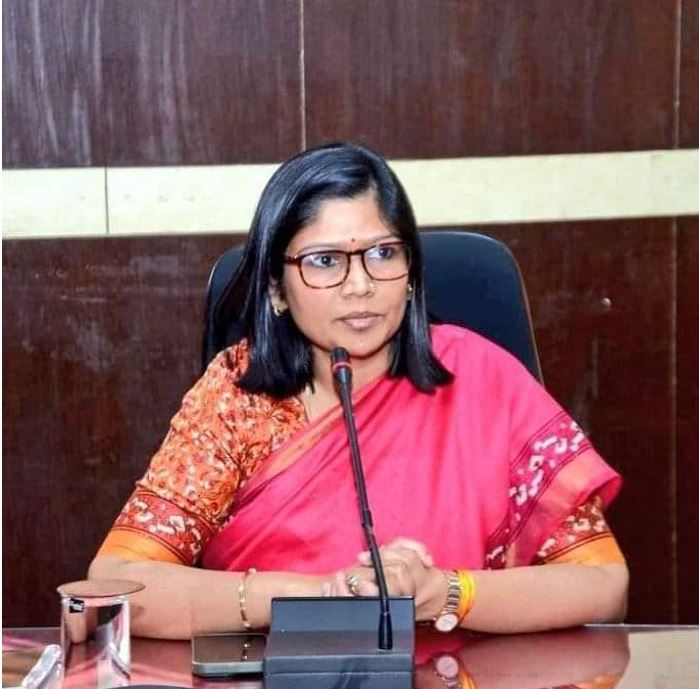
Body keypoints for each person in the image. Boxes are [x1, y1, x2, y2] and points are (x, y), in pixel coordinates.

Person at [88, 142, 628, 640]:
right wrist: (312, 597)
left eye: (383, 254)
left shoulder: (484, 378)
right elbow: (117, 586)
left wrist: (443, 591)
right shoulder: (238, 397)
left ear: (411, 273)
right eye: (325, 261)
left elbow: (602, 585)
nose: (361, 285)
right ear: (276, 287)